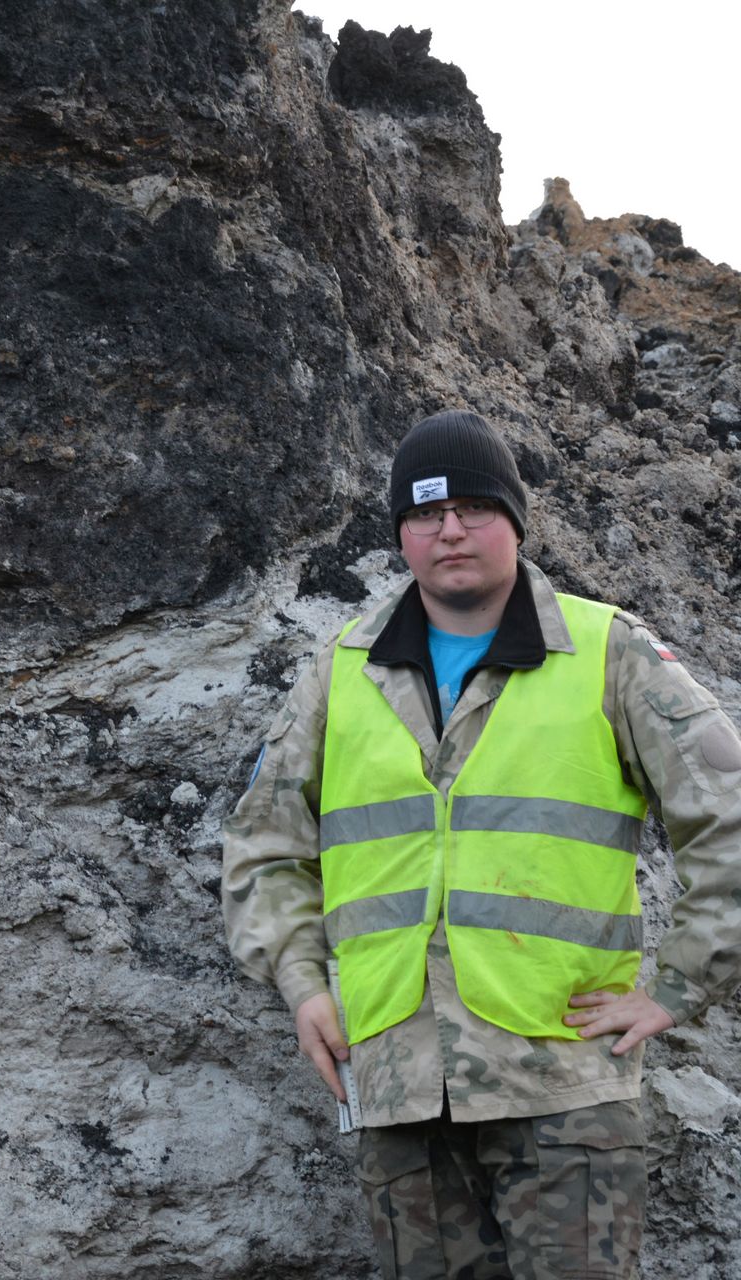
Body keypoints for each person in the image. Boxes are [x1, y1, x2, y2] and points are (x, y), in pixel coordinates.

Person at [222, 409, 741, 1279]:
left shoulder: (609, 651)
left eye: (473, 507)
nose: (449, 530)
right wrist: (302, 981)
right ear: (400, 534)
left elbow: (728, 813)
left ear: (515, 521)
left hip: (563, 1083)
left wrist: (684, 985)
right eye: (425, 514)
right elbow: (262, 840)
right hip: (393, 1079)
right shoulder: (339, 669)